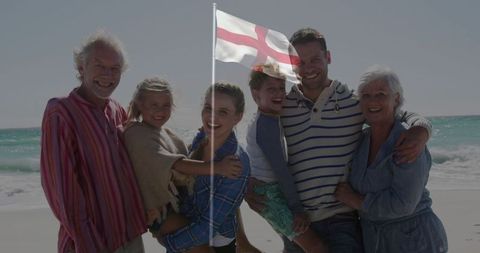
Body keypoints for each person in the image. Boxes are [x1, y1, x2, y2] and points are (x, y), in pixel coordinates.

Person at [245, 28, 432, 253]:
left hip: (341, 218)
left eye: (315, 59)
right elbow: (258, 143)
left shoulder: (354, 103)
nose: (308, 68)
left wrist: (422, 129)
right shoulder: (283, 104)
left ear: (329, 57)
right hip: (298, 220)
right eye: (300, 62)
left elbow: (397, 114)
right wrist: (248, 184)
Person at [40, 30, 146, 253]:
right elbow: (63, 191)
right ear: (81, 68)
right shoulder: (61, 112)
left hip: (129, 237)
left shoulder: (117, 110)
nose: (108, 75)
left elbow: (132, 169)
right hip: (90, 243)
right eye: (99, 66)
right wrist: (88, 244)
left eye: (115, 68)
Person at [334, 65, 448, 253]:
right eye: (366, 95)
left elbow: (403, 204)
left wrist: (355, 200)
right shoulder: (361, 140)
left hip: (414, 239)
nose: (373, 101)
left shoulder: (408, 140)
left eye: (380, 94)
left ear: (396, 99)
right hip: (375, 240)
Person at [123, 77, 243, 252]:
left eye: (166, 105)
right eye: (153, 105)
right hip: (162, 212)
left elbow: (187, 162)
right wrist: (218, 168)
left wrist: (202, 143)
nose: (160, 111)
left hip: (181, 206)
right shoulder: (137, 134)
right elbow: (178, 165)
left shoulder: (164, 132)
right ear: (140, 104)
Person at [245, 64, 327, 253]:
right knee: (316, 247)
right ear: (255, 94)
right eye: (271, 89)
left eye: (282, 88)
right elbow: (281, 170)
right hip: (269, 197)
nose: (279, 94)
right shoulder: (266, 126)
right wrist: (297, 209)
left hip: (270, 191)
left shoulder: (268, 117)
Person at [160, 82, 251, 253]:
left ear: (237, 117)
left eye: (223, 112)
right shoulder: (202, 136)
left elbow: (208, 227)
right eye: (208, 108)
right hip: (187, 221)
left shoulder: (237, 163)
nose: (212, 117)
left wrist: (169, 243)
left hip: (216, 241)